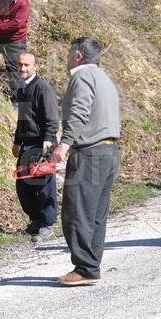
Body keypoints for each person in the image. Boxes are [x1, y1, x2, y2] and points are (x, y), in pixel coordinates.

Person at [51, 37, 120, 287]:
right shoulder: (104, 78)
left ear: (78, 55)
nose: (67, 57)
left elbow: (80, 111)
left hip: (90, 153)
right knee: (96, 214)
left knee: (77, 212)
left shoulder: (81, 77)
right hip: (110, 151)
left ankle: (86, 268)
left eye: (69, 52)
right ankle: (91, 265)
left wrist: (64, 144)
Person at [12, 53, 60, 242]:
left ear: (35, 66)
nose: (23, 68)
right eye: (20, 65)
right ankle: (36, 221)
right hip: (26, 144)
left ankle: (47, 226)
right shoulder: (22, 89)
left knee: (45, 187)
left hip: (42, 145)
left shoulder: (43, 88)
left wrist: (48, 139)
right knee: (23, 186)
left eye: (27, 65)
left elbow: (52, 118)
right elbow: (22, 119)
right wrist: (17, 141)